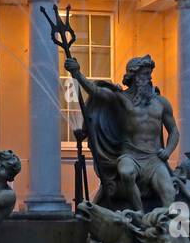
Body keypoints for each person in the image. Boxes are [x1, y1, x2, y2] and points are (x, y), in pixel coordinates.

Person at [64, 53, 179, 211]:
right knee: (126, 172)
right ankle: (140, 214)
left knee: (169, 193)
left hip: (154, 159)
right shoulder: (120, 99)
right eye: (145, 74)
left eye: (150, 74)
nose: (149, 78)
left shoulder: (161, 103)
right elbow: (95, 91)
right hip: (130, 156)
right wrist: (77, 73)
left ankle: (166, 224)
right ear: (134, 76)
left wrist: (168, 150)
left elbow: (173, 131)